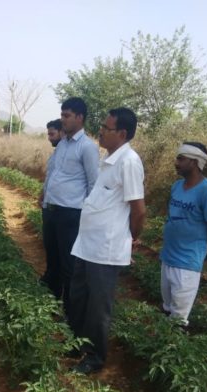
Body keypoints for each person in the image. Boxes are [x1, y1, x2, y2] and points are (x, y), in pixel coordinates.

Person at [68, 107, 146, 375]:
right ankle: (77, 343)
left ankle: (95, 357)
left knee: (98, 307)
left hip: (105, 248)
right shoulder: (109, 159)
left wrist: (131, 238)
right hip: (87, 245)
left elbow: (139, 210)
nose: (100, 130)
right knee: (78, 297)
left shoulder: (129, 162)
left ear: (122, 133)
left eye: (106, 127)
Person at [38, 98, 100, 318]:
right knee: (52, 259)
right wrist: (44, 195)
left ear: (79, 118)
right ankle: (51, 305)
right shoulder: (63, 144)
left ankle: (69, 312)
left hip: (71, 214)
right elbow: (53, 172)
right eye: (62, 115)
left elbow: (94, 184)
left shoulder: (88, 148)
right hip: (51, 210)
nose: (63, 119)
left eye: (67, 116)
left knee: (68, 265)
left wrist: (87, 215)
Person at [159, 142, 207, 325]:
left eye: (181, 158)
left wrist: (203, 245)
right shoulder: (177, 186)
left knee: (178, 319)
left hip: (187, 263)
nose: (176, 162)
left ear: (194, 162)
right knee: (166, 307)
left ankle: (173, 349)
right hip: (168, 257)